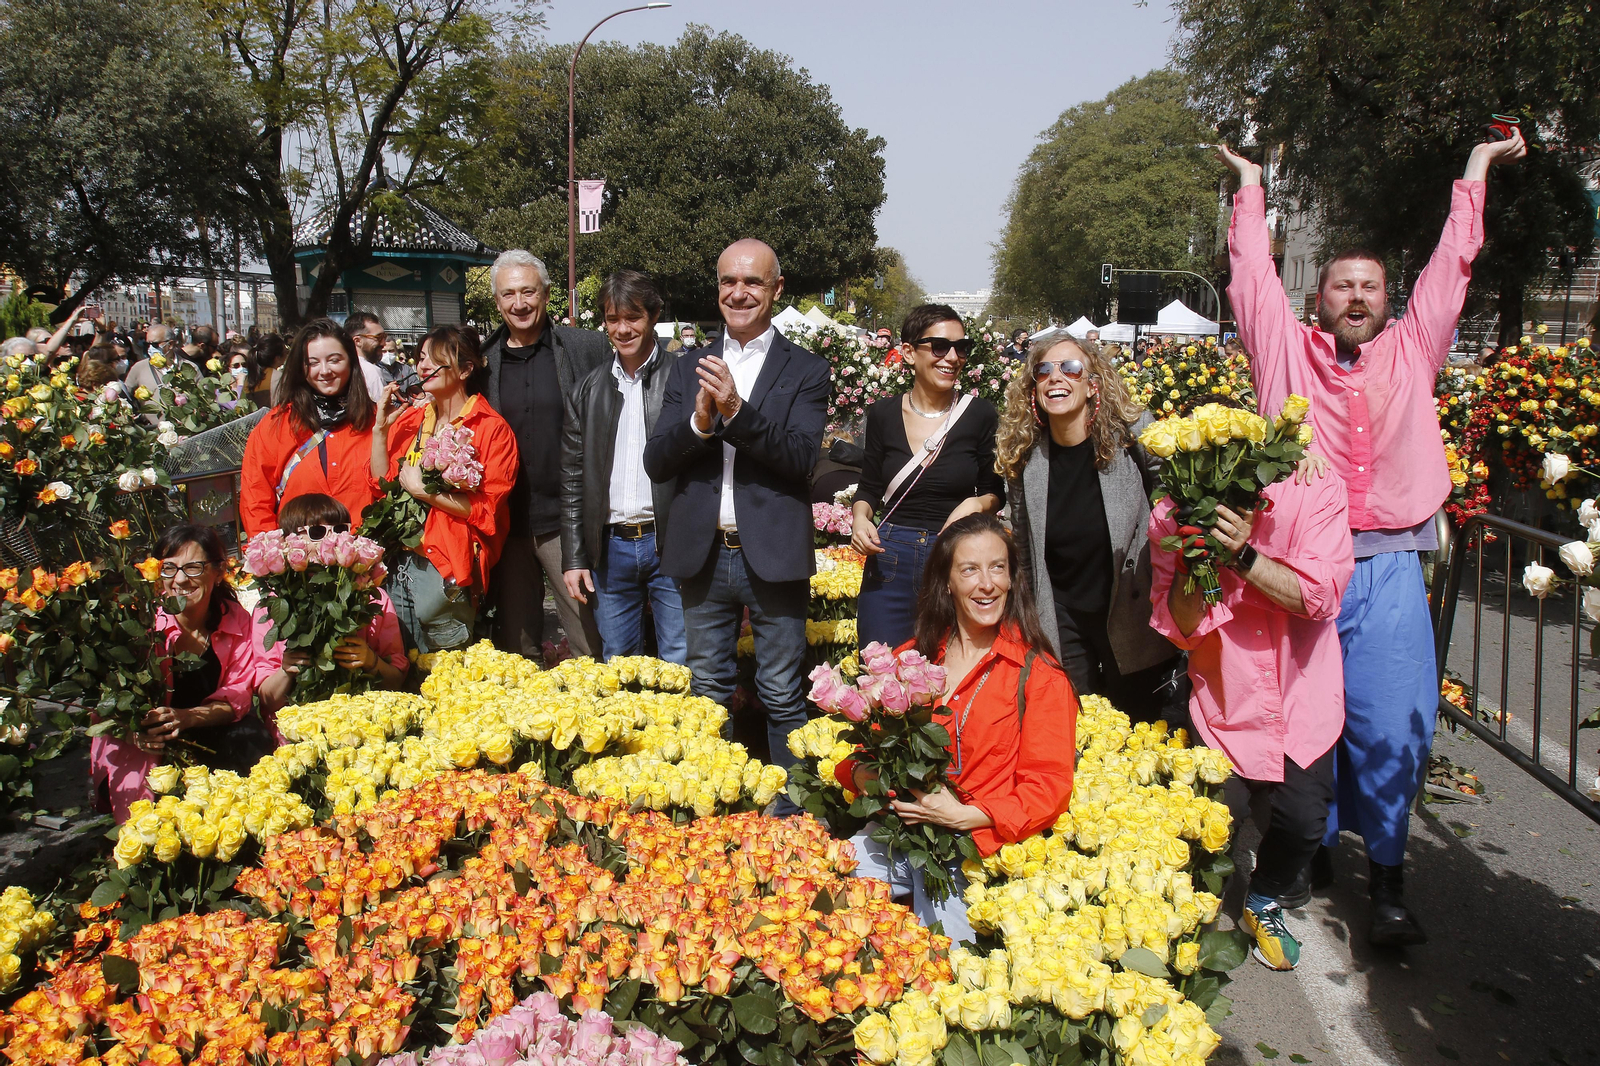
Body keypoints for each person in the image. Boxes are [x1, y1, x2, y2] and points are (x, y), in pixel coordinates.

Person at [1218, 127, 1527, 944]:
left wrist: (1476, 168)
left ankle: (1387, 881)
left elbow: (1453, 266)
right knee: (1304, 728)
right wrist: (1250, 186)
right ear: (1316, 299)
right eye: (1340, 286)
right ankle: (1305, 846)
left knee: (1392, 724)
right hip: (1297, 577)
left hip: (1388, 571)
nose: (1356, 297)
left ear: (1389, 300)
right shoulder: (1283, 357)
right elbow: (1251, 278)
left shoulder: (1415, 350)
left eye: (1370, 287)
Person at [835, 513, 1078, 941]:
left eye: (997, 567)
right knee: (820, 896)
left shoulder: (1038, 676)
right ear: (947, 581)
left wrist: (966, 815)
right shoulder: (913, 660)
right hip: (899, 832)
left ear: (1012, 578)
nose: (987, 584)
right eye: (970, 570)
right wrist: (868, 775)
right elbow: (858, 760)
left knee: (947, 962)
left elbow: (1047, 786)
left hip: (971, 849)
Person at [1149, 465, 1354, 971]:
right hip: (1225, 702)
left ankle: (1263, 898)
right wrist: (1194, 551)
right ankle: (1185, 914)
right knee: (1205, 824)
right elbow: (1180, 627)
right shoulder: (1172, 512)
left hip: (1300, 696)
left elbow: (1320, 596)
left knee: (1303, 823)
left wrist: (1243, 557)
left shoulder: (1313, 487)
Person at [643, 238, 831, 776]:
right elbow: (658, 459)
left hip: (771, 554)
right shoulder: (686, 366)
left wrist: (735, 411)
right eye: (729, 281)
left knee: (780, 692)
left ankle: (795, 816)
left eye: (752, 282)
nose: (739, 292)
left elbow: (799, 459)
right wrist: (701, 424)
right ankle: (718, 806)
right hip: (703, 554)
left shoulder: (806, 369)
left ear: (776, 289)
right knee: (707, 692)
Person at [996, 335, 1184, 720]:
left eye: (1070, 367)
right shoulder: (1026, 453)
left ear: (1092, 382)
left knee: (1141, 726)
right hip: (1062, 615)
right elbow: (1025, 546)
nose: (1055, 377)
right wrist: (1031, 615)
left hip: (1130, 607)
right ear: (1033, 389)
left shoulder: (1132, 435)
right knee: (1072, 727)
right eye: (1043, 370)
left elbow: (1178, 490)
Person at [89, 524, 276, 822]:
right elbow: (103, 707)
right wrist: (134, 731)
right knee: (149, 823)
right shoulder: (140, 625)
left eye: (192, 567)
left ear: (217, 572)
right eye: (169, 568)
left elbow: (238, 695)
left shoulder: (235, 619)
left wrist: (187, 717)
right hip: (146, 737)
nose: (179, 579)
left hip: (205, 727)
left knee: (251, 739)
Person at [850, 303, 1004, 650]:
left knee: (948, 674)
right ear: (908, 352)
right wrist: (860, 519)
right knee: (880, 674)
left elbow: (996, 491)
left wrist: (976, 503)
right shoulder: (883, 413)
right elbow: (870, 487)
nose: (951, 357)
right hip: (890, 558)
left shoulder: (979, 413)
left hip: (954, 555)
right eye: (938, 346)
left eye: (961, 348)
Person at [480, 249, 609, 659]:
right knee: (516, 647)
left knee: (587, 638)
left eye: (528, 291)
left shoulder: (585, 349)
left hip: (564, 521)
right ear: (497, 301)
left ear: (547, 294)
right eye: (508, 295)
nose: (519, 304)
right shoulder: (481, 362)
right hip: (507, 523)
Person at [560, 271, 687, 663]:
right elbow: (572, 479)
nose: (623, 328)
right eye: (613, 319)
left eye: (633, 317)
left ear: (654, 316)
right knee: (619, 661)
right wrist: (575, 557)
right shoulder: (587, 388)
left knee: (680, 660)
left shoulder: (683, 378)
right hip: (610, 548)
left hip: (671, 543)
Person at [372, 325, 519, 652]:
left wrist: (427, 493)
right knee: (399, 667)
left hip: (445, 567)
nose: (423, 367)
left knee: (447, 675)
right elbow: (383, 487)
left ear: (466, 369)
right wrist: (381, 431)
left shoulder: (490, 429)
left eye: (435, 360)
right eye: (420, 358)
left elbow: (487, 512)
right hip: (400, 560)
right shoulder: (412, 420)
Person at [257, 493, 408, 717]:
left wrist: (371, 661)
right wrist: (285, 671)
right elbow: (265, 702)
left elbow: (398, 680)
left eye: (339, 530)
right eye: (316, 533)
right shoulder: (273, 604)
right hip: (299, 725)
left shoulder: (371, 596)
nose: (332, 540)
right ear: (289, 542)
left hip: (362, 718)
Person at [239, 318, 379, 537]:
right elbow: (255, 498)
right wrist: (271, 556)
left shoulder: (377, 422)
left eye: (334, 360)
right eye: (312, 363)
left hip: (366, 559)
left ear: (351, 362)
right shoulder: (277, 424)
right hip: (297, 561)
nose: (324, 371)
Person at [347, 309, 418, 392]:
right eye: (378, 337)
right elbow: (380, 405)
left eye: (384, 337)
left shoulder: (344, 368)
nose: (383, 343)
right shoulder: (371, 371)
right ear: (358, 341)